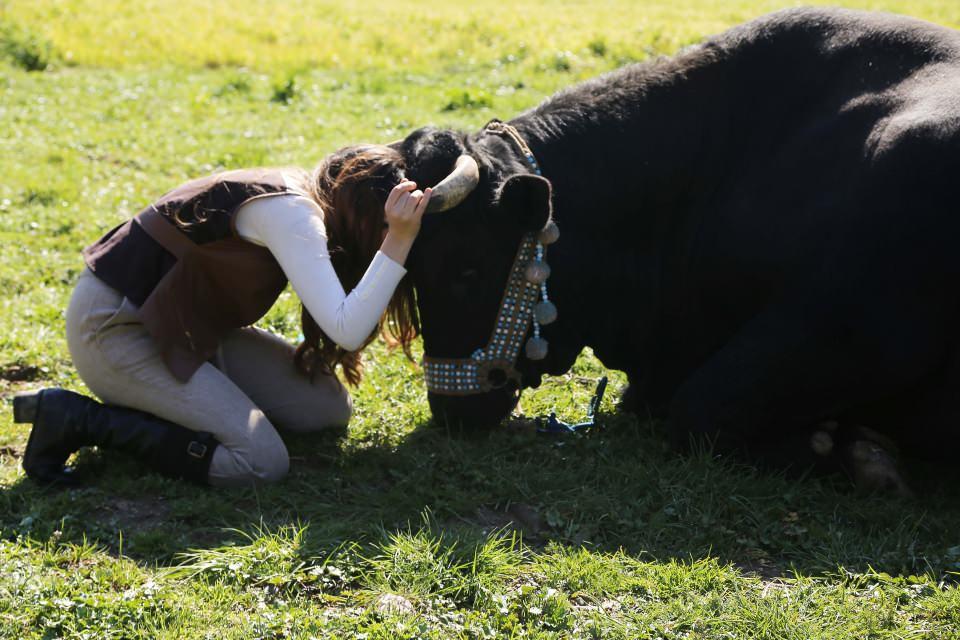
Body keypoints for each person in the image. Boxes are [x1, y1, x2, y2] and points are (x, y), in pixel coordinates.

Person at [13, 145, 430, 487]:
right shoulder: (295, 214)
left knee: (324, 408)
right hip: (115, 328)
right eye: (382, 226)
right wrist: (399, 238)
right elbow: (347, 330)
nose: (386, 236)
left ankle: (187, 403)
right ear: (359, 212)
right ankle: (83, 420)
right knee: (260, 462)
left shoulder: (308, 201)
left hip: (187, 327)